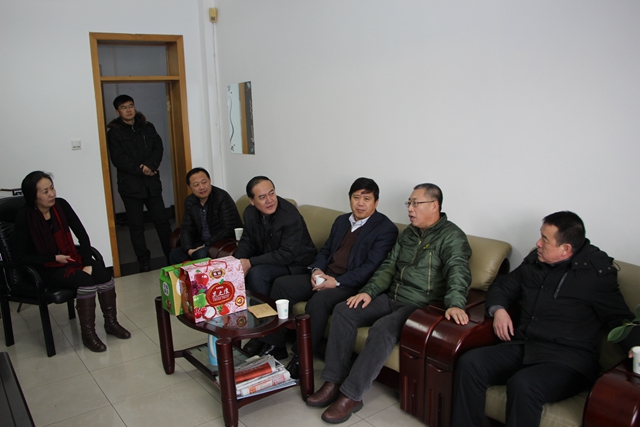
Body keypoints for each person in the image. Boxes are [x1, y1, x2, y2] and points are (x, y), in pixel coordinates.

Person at [451, 211, 640, 427]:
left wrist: (636, 345)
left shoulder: (597, 276)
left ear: (565, 249)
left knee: (524, 384)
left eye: (545, 239)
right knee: (471, 363)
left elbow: (620, 318)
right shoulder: (535, 261)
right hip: (526, 345)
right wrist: (499, 310)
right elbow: (503, 286)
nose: (538, 243)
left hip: (568, 360)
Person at [307, 183, 472, 424]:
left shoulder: (452, 236)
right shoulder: (409, 233)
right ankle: (333, 381)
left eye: (416, 203)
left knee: (383, 329)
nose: (410, 209)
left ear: (434, 206)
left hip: (419, 306)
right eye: (409, 203)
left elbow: (458, 272)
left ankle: (352, 395)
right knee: (344, 310)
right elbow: (388, 266)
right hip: (391, 295)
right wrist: (369, 292)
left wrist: (456, 303)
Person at [243, 178, 398, 372]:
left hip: (351, 284)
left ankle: (301, 358)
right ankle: (275, 343)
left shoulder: (385, 229)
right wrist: (316, 269)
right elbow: (325, 251)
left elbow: (371, 267)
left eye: (366, 199)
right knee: (282, 285)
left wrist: (337, 282)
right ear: (350, 199)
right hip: (325, 274)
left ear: (376, 202)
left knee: (319, 301)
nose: (360, 203)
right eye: (356, 197)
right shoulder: (342, 221)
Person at [12, 171, 131, 353]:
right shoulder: (25, 216)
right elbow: (19, 257)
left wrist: (87, 263)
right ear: (33, 196)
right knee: (85, 281)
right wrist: (53, 258)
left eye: (52, 188)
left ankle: (111, 323)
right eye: (45, 191)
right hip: (44, 268)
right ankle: (88, 334)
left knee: (103, 275)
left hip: (69, 258)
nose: (52, 194)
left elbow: (82, 235)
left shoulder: (61, 205)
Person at [107, 94, 172, 272]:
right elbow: (118, 159)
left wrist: (150, 165)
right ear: (117, 112)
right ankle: (143, 260)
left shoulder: (147, 127)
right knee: (136, 226)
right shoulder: (114, 133)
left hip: (151, 184)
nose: (128, 110)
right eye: (124, 107)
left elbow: (158, 148)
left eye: (130, 106)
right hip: (130, 186)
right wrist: (141, 169)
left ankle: (171, 255)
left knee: (162, 222)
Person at [234, 176, 316, 295]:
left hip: (296, 263)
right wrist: (238, 262)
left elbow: (286, 254)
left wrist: (251, 262)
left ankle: (265, 307)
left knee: (257, 274)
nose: (269, 200)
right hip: (270, 258)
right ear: (252, 201)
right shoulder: (249, 213)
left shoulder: (289, 215)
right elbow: (247, 240)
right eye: (262, 197)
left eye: (271, 193)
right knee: (234, 269)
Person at [169, 167, 242, 264]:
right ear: (190, 187)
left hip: (221, 241)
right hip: (201, 241)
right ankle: (184, 275)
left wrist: (204, 245)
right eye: (196, 185)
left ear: (210, 181)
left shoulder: (222, 198)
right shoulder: (190, 201)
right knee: (175, 255)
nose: (202, 187)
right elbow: (187, 227)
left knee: (199, 255)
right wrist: (188, 249)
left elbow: (228, 229)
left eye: (204, 182)